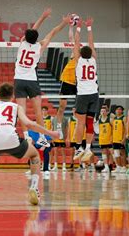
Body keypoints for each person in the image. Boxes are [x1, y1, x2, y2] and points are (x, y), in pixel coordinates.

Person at [15, 9, 69, 146]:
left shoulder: (22, 43)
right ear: (36, 38)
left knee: (22, 111)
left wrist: (43, 16)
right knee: (38, 111)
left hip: (19, 80)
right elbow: (53, 32)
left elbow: (32, 30)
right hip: (32, 81)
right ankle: (42, 137)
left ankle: (27, 136)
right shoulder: (39, 47)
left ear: (25, 37)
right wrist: (64, 23)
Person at [71, 17, 99, 164]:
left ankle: (78, 148)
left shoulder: (78, 61)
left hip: (82, 95)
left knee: (80, 122)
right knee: (90, 122)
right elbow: (91, 43)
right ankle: (88, 148)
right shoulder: (94, 59)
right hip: (94, 94)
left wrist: (78, 27)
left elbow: (76, 43)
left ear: (81, 54)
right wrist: (89, 27)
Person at [55, 25, 77, 138]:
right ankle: (58, 127)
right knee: (62, 106)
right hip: (67, 81)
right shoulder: (75, 54)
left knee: (81, 107)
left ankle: (80, 127)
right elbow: (71, 38)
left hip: (78, 83)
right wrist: (70, 26)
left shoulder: (88, 61)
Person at [111, 106, 127, 173]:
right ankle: (118, 167)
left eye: (119, 109)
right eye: (117, 109)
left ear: (122, 111)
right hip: (115, 139)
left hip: (121, 139)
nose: (118, 110)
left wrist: (124, 138)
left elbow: (126, 129)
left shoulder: (124, 118)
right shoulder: (114, 119)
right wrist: (111, 138)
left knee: (122, 153)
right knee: (116, 154)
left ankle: (124, 167)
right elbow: (112, 129)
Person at [98, 105, 113, 173]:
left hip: (109, 139)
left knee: (112, 152)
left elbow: (113, 129)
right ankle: (106, 167)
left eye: (104, 111)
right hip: (102, 139)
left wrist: (112, 137)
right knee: (104, 153)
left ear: (107, 112)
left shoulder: (109, 119)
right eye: (101, 111)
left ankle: (118, 166)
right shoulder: (99, 119)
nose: (103, 112)